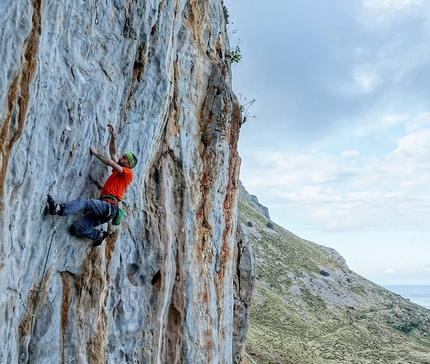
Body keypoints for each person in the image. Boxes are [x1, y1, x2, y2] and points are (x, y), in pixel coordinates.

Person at [47, 124, 137, 246]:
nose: (121, 157)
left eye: (124, 157)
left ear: (128, 163)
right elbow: (113, 153)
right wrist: (113, 136)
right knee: (76, 228)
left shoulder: (128, 173)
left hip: (109, 206)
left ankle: (58, 209)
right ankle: (98, 235)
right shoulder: (120, 170)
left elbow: (111, 161)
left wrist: (96, 154)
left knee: (85, 203)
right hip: (106, 210)